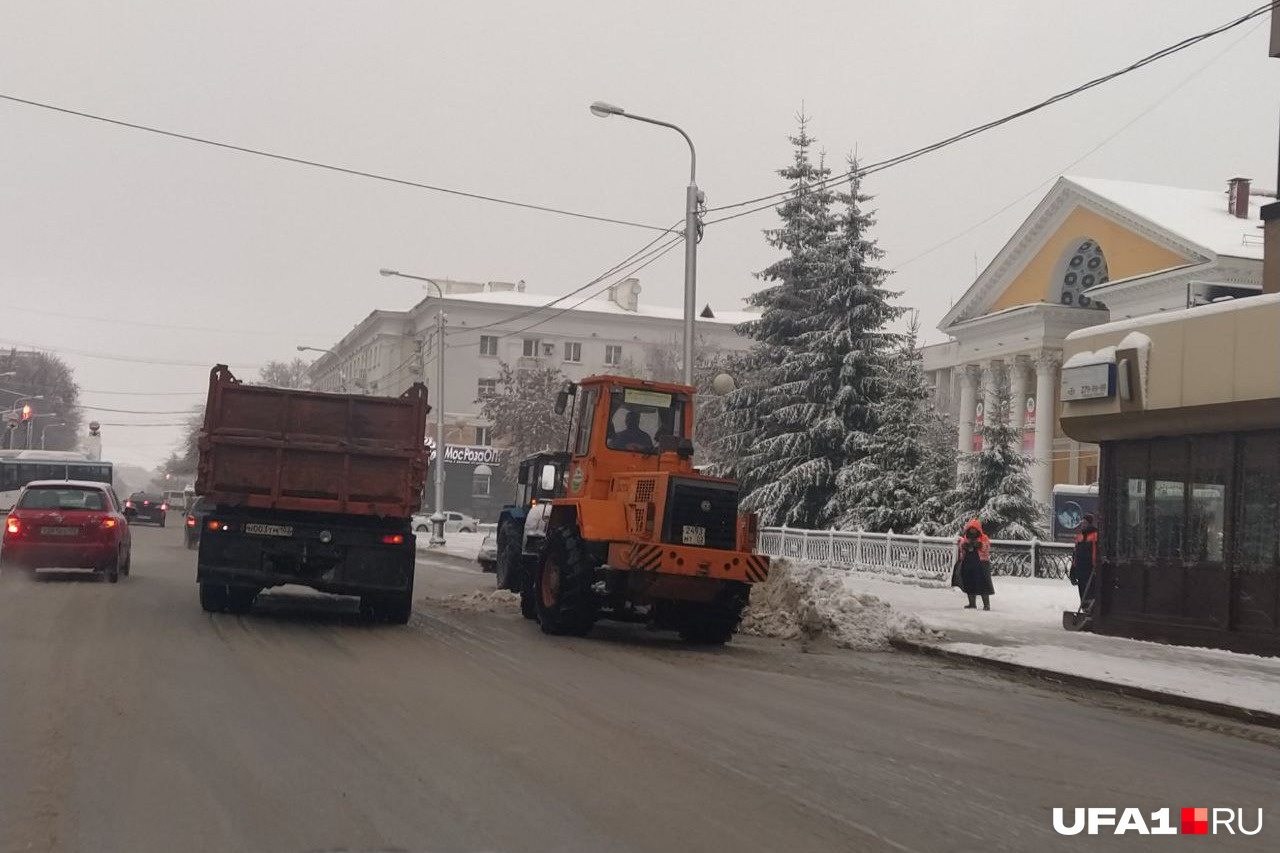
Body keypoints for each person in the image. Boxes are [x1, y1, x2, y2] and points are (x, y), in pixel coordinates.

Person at [953, 519, 994, 610]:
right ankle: (972, 603)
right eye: (971, 529)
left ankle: (986, 605)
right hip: (968, 563)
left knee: (984, 584)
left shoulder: (984, 538)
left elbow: (986, 548)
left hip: (981, 564)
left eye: (974, 529)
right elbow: (961, 547)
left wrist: (979, 545)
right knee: (969, 583)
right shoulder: (965, 538)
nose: (972, 531)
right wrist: (964, 546)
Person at [1070, 513, 1099, 604]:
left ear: (1090, 524)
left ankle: (1090, 610)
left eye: (1085, 523)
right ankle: (1084, 608)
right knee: (1082, 591)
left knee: (1090, 591)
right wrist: (1073, 569)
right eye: (1082, 523)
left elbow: (1096, 552)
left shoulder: (1095, 535)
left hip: (1090, 568)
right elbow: (1075, 553)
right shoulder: (1080, 536)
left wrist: (1096, 566)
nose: (1083, 525)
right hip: (1080, 568)